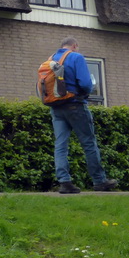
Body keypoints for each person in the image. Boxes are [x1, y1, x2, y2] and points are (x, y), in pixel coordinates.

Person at [47, 36, 118, 194]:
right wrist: (85, 94)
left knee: (61, 145)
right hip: (75, 105)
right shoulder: (76, 56)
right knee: (88, 143)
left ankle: (64, 182)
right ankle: (99, 181)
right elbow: (86, 83)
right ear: (74, 46)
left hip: (56, 107)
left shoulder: (50, 59)